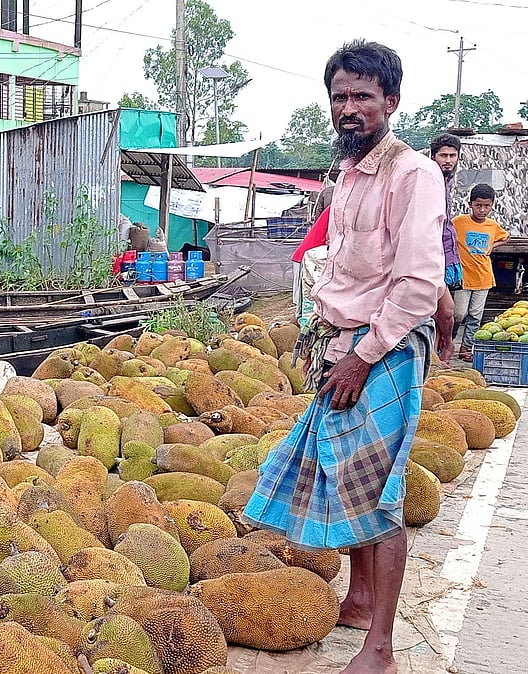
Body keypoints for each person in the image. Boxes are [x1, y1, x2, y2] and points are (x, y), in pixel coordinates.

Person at [243, 40, 446, 674]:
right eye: (339, 97)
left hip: (380, 350)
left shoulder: (414, 173)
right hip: (341, 343)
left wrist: (364, 355)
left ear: (391, 101)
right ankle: (358, 599)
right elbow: (345, 263)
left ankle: (380, 648)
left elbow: (417, 281)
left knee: (378, 491)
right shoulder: (347, 172)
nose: (348, 108)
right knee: (344, 474)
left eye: (362, 96)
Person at [452, 183, 507, 361]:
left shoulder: (492, 226)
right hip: (463, 277)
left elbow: (505, 237)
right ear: (470, 204)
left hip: (483, 277)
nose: (482, 210)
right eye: (478, 205)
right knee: (458, 313)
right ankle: (446, 343)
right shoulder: (458, 222)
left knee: (475, 316)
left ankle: (466, 348)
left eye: (487, 206)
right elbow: (445, 237)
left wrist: (492, 245)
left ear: (492, 205)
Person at [430, 133, 465, 293]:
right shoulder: (426, 180)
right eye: (443, 155)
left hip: (447, 251)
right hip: (431, 254)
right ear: (433, 156)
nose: (448, 161)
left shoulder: (448, 180)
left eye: (453, 156)